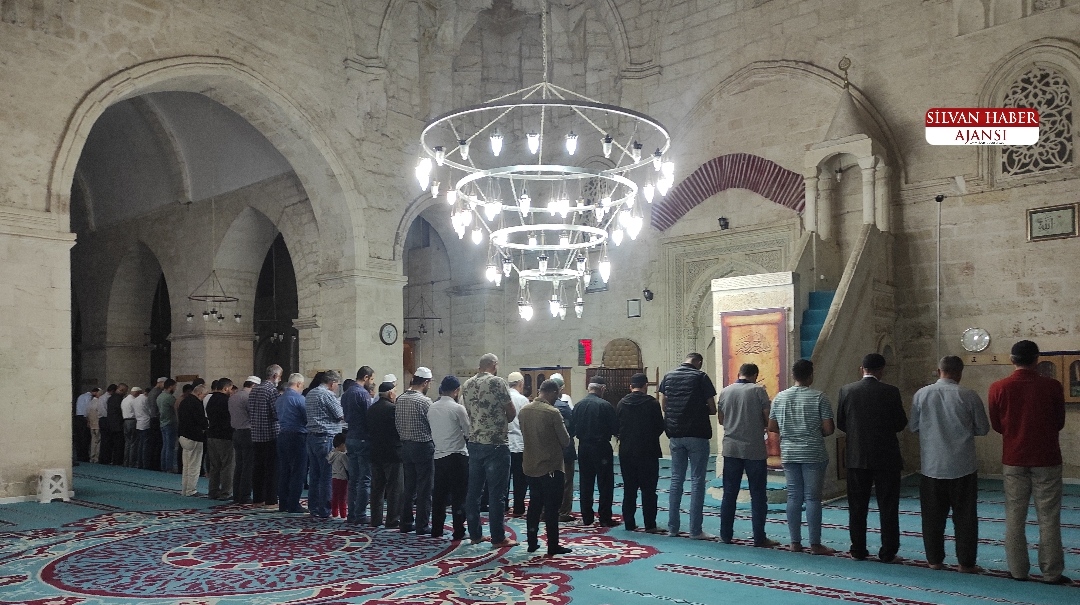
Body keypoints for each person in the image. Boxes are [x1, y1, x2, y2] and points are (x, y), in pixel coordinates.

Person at [989, 340, 1069, 584]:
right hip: (1047, 458)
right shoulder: (1052, 386)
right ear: (1037, 360)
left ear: (1012, 360)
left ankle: (1017, 571)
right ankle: (1051, 572)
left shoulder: (998, 387)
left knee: (1015, 515)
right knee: (1049, 517)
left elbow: (997, 425)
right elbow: (1059, 422)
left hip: (1014, 458)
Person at [910, 355, 990, 574]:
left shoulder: (921, 394)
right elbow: (983, 429)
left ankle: (934, 560)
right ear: (960, 373)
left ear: (939, 371)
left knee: (932, 517)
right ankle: (966, 563)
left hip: (932, 466)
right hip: (963, 467)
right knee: (965, 517)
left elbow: (913, 427)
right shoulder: (969, 395)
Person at [836, 353, 907, 563]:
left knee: (857, 506)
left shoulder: (847, 390)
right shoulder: (891, 391)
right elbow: (900, 423)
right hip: (886, 457)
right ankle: (888, 552)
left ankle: (858, 549)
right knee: (888, 506)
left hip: (857, 457)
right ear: (881, 370)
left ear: (862, 369)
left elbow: (841, 423)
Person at [768, 359, 835, 555]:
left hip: (789, 453)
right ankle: (815, 544)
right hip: (813, 453)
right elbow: (829, 428)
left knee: (793, 496)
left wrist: (790, 431)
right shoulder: (819, 397)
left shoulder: (780, 397)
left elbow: (772, 426)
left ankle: (795, 543)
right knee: (813, 498)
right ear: (811, 375)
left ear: (793, 375)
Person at [717, 363, 777, 547]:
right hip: (754, 449)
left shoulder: (725, 391)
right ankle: (759, 537)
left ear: (739, 373)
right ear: (755, 375)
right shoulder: (758, 391)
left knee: (729, 493)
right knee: (758, 494)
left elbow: (721, 419)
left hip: (731, 448)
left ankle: (725, 535)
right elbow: (767, 420)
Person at [658, 353, 717, 539]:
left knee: (676, 479)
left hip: (675, 434)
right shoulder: (701, 377)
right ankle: (695, 530)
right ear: (698, 362)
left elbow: (664, 405)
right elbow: (713, 408)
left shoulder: (668, 376)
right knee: (697, 480)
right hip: (697, 434)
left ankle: (673, 528)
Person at [462, 354, 518, 548]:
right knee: (496, 494)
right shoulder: (497, 382)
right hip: (496, 444)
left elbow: (469, 412)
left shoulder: (467, 384)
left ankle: (475, 534)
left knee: (473, 492)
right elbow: (511, 411)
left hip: (474, 442)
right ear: (494, 365)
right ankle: (498, 537)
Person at [520, 379, 572, 556]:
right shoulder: (552, 412)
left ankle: (532, 542)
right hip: (550, 467)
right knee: (551, 508)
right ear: (553, 393)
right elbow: (565, 441)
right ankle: (553, 545)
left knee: (534, 505)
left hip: (530, 465)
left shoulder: (524, 410)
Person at [616, 372, 666, 533]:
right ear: (645, 386)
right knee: (649, 490)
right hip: (648, 452)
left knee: (629, 489)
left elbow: (617, 427)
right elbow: (660, 427)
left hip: (627, 452)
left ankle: (629, 523)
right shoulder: (652, 403)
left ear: (630, 387)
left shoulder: (621, 403)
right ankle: (650, 524)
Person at [428, 375, 471, 540]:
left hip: (439, 455)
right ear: (456, 390)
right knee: (459, 495)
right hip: (457, 456)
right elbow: (468, 432)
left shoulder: (432, 408)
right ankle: (459, 530)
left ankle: (436, 529)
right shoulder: (457, 408)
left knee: (439, 495)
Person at [573, 376, 619, 527]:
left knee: (585, 482)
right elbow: (615, 429)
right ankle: (605, 518)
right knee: (605, 483)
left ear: (588, 388)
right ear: (603, 389)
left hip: (583, 447)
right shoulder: (605, 405)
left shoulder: (578, 405)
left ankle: (587, 517)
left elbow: (572, 429)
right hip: (601, 448)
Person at [396, 367, 435, 535]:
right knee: (424, 488)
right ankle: (422, 525)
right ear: (425, 382)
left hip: (405, 446)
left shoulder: (400, 399)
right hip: (423, 446)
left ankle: (405, 522)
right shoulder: (425, 402)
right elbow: (433, 424)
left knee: (409, 487)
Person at [305, 370, 344, 519]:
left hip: (312, 438)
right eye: (337, 384)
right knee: (327, 475)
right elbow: (340, 415)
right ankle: (325, 509)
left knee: (314, 474)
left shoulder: (311, 393)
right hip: (326, 437)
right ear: (332, 383)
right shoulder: (327, 394)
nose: (337, 387)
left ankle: (313, 507)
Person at [342, 366, 375, 525]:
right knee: (365, 479)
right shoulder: (363, 394)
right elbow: (369, 417)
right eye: (372, 379)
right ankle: (360, 514)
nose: (372, 382)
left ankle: (351, 514)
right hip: (362, 438)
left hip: (350, 437)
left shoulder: (346, 393)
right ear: (366, 377)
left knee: (353, 478)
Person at [368, 380, 403, 528]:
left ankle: (375, 519)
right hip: (392, 453)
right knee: (394, 488)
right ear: (390, 394)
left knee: (377, 487)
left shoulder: (371, 409)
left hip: (375, 452)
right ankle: (392, 520)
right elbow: (398, 430)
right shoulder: (393, 409)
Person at [250, 364, 283, 508]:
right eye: (280, 377)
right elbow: (276, 413)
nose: (279, 380)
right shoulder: (271, 391)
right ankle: (271, 500)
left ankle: (258, 499)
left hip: (256, 434)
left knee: (258, 468)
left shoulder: (255, 389)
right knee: (272, 468)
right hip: (270, 434)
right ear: (275, 376)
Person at [276, 372, 308, 513]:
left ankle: (283, 504)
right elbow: (306, 418)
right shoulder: (299, 399)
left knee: (284, 471)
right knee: (298, 472)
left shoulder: (280, 399)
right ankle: (294, 504)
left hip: (282, 436)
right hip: (297, 436)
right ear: (299, 384)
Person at [549, 373, 576, 522]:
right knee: (566, 482)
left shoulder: (537, 407)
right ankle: (563, 512)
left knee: (547, 481)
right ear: (559, 389)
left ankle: (546, 510)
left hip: (545, 451)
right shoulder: (563, 407)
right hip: (564, 450)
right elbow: (572, 430)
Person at [229, 376, 259, 504]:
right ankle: (245, 495)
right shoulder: (248, 397)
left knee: (239, 465)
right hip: (247, 433)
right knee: (248, 465)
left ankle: (237, 494)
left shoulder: (233, 396)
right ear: (254, 386)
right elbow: (254, 415)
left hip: (236, 432)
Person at [205, 378, 235, 500]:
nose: (231, 391)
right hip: (225, 436)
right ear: (226, 388)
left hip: (211, 435)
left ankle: (213, 491)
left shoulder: (210, 399)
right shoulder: (226, 401)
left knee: (215, 466)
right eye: (231, 388)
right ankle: (226, 492)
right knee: (227, 465)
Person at [506, 371, 530, 517]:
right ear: (520, 383)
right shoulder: (523, 400)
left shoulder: (502, 398)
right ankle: (518, 507)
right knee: (520, 479)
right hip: (520, 444)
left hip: (504, 444)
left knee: (504, 478)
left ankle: (503, 506)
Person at [177, 384, 208, 497]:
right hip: (194, 437)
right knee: (194, 466)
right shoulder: (196, 403)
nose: (204, 397)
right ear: (199, 393)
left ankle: (185, 489)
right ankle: (191, 490)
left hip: (183, 436)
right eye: (204, 395)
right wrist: (206, 425)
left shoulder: (184, 401)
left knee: (186, 466)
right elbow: (201, 421)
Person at [157, 380, 178, 473]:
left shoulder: (160, 396)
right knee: (170, 447)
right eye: (175, 386)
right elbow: (176, 408)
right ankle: (169, 467)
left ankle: (164, 466)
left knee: (165, 446)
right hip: (170, 423)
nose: (175, 388)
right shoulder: (169, 397)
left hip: (162, 423)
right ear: (170, 386)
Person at [145, 377, 166, 470]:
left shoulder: (151, 392)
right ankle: (156, 464)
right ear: (160, 382)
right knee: (157, 443)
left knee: (153, 443)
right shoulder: (158, 393)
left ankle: (151, 464)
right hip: (156, 419)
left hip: (152, 418)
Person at [73, 387, 98, 462]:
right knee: (85, 438)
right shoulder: (89, 397)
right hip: (84, 418)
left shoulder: (81, 396)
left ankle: (79, 455)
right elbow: (88, 409)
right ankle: (84, 456)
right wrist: (88, 420)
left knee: (79, 438)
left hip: (78, 417)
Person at [103, 384, 125, 465]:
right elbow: (120, 411)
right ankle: (117, 461)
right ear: (122, 390)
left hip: (110, 423)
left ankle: (108, 459)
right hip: (118, 424)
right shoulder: (119, 399)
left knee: (109, 443)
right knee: (118, 444)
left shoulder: (110, 398)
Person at [328, 432, 349, 519]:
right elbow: (348, 467)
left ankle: (334, 513)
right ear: (342, 445)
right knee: (343, 497)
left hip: (334, 478)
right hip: (342, 478)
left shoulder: (331, 454)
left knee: (335, 496)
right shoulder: (342, 456)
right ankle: (343, 514)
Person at [121, 386, 142, 467]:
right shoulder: (134, 401)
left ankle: (126, 461)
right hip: (132, 421)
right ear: (137, 393)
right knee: (133, 442)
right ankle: (132, 462)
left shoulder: (124, 400)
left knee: (127, 442)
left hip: (125, 421)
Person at [87, 388, 108, 464]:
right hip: (97, 424)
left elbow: (87, 413)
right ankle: (96, 457)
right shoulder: (99, 402)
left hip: (91, 424)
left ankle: (91, 457)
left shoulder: (90, 402)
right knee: (98, 441)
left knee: (93, 441)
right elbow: (102, 413)